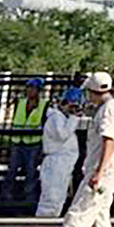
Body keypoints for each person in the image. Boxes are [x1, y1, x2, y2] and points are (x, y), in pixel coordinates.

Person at [57, 72, 114, 227]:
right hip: (108, 171)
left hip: (103, 172)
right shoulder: (113, 108)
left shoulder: (108, 111)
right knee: (99, 214)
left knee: (76, 216)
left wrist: (99, 172)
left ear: (92, 91)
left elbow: (109, 141)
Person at [36, 87, 84, 218]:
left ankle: (49, 218)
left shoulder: (61, 118)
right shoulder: (56, 117)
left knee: (58, 193)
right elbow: (63, 135)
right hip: (57, 161)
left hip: (62, 161)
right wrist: (74, 118)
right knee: (53, 193)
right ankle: (45, 220)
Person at [3, 78, 47, 204]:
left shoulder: (44, 105)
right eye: (28, 88)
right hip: (18, 141)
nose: (30, 91)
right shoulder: (20, 103)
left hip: (33, 143)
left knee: (31, 172)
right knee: (12, 170)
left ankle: (29, 198)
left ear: (38, 91)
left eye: (33, 88)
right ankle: (6, 195)